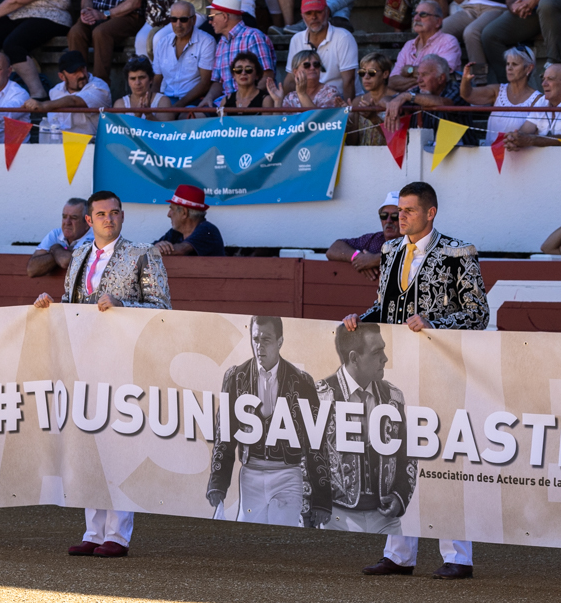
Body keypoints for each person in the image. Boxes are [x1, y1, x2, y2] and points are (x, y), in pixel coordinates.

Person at [340, 181, 487, 579]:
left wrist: (434, 322)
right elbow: (384, 306)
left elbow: (478, 313)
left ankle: (458, 555)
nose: (398, 217)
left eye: (407, 211)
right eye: (397, 211)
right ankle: (399, 553)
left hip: (442, 370)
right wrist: (361, 318)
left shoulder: (458, 252)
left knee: (444, 458)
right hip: (397, 368)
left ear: (430, 212)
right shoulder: (391, 251)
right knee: (394, 456)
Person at [34, 190, 170, 557]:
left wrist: (124, 305)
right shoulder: (79, 253)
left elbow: (163, 309)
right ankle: (94, 530)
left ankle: (118, 534)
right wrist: (51, 307)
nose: (109, 219)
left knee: (119, 444)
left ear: (122, 217)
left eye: (114, 213)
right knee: (88, 444)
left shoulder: (143, 253)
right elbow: (73, 306)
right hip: (84, 358)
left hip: (124, 359)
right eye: (101, 214)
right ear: (90, 220)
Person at [207, 313, 325, 527]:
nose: (259, 346)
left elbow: (315, 441)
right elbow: (224, 434)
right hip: (250, 473)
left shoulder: (301, 381)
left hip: (288, 473)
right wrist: (218, 483)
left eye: (266, 340)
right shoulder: (235, 378)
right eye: (255, 339)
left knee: (284, 537)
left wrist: (322, 498)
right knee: (248, 543)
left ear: (280, 342)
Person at [460, 46, 542, 143]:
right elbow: (467, 95)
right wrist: (465, 79)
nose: (509, 68)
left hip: (521, 156)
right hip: (490, 155)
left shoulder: (538, 99)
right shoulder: (497, 91)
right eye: (508, 64)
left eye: (514, 64)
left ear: (529, 68)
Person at [285, 0, 358, 99]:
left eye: (318, 12)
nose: (313, 17)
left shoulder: (343, 37)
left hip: (339, 100)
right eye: (308, 13)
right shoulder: (296, 39)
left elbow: (349, 81)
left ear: (327, 12)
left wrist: (345, 112)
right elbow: (290, 79)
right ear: (302, 16)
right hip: (308, 99)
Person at [208, 0, 276, 101]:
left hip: (252, 104)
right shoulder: (221, 42)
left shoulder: (253, 37)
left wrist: (246, 100)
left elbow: (267, 77)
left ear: (225, 17)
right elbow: (218, 82)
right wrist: (209, 98)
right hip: (226, 103)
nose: (210, 22)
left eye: (211, 17)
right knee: (191, 115)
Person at [26, 49, 112, 135]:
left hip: (93, 145)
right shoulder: (55, 91)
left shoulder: (100, 86)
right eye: (75, 72)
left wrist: (44, 105)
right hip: (60, 144)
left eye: (83, 69)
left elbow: (73, 100)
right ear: (62, 76)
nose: (82, 75)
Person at [151, 1, 215, 108]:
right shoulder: (163, 43)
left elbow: (205, 83)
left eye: (183, 19)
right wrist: (151, 102)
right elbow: (156, 81)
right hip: (168, 99)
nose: (178, 24)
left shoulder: (207, 42)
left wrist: (177, 106)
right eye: (173, 19)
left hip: (194, 100)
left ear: (194, 20)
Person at [327, 193, 404, 277]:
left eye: (395, 216)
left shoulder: (413, 239)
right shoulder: (373, 239)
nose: (388, 220)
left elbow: (412, 255)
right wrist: (358, 258)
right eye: (384, 215)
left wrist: (373, 260)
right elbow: (334, 249)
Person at [392, 2, 462, 91]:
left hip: (435, 101)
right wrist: (424, 77)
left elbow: (439, 77)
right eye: (414, 14)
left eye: (423, 14)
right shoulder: (408, 45)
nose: (416, 18)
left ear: (438, 22)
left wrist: (410, 70)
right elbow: (392, 82)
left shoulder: (448, 42)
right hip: (407, 100)